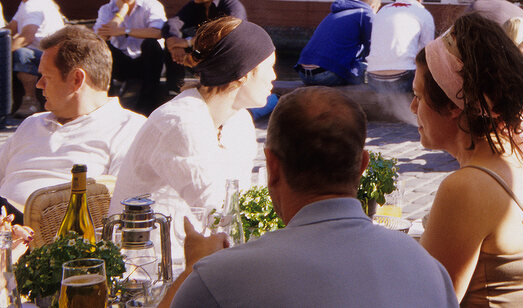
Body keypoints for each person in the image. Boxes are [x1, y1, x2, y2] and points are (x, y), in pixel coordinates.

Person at [159, 87, 458, 308]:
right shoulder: (428, 269)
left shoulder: (218, 278)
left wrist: (191, 269)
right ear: (363, 166)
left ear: (272, 167)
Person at [413, 13, 523, 306]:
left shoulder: (467, 187)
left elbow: (431, 301)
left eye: (418, 96)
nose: (411, 108)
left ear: (453, 105)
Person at [111, 16, 276, 272]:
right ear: (244, 73)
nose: (274, 77)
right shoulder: (181, 122)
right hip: (150, 269)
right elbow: (220, 216)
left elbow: (240, 205)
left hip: (204, 258)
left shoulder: (238, 119)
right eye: (270, 67)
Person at [0, 26, 144, 219]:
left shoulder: (127, 128)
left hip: (56, 239)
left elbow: (123, 206)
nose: (38, 84)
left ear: (77, 79)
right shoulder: (31, 123)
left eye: (47, 77)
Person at [93, 0, 168, 115]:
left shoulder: (151, 5)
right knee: (102, 46)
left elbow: (158, 32)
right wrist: (121, 12)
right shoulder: (107, 9)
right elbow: (99, 38)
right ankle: (107, 101)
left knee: (151, 43)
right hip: (122, 62)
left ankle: (147, 104)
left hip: (146, 62)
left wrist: (123, 31)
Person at [162, 0, 247, 99]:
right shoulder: (196, 5)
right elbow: (173, 22)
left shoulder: (232, 7)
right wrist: (175, 44)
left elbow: (226, 35)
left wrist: (188, 42)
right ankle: (173, 92)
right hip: (203, 54)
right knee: (171, 45)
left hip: (228, 59)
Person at [5, 0, 66, 117]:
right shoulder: (34, 1)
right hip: (51, 54)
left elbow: (26, 37)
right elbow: (10, 28)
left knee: (22, 53)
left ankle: (30, 100)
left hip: (52, 58)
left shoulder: (33, 5)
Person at [296, 0, 379, 86]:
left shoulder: (334, 13)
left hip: (303, 74)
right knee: (373, 70)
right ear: (373, 6)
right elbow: (373, 49)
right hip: (326, 75)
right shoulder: (366, 14)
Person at [364, 0, 435, 93]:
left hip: (373, 76)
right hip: (402, 77)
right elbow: (426, 54)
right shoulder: (423, 13)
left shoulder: (382, 10)